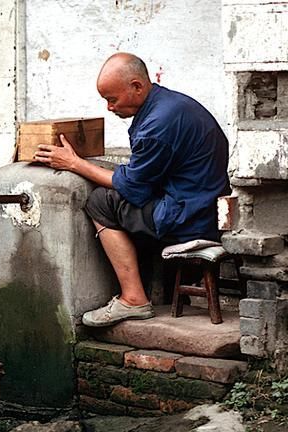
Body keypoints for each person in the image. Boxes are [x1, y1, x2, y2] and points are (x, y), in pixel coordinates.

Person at [33, 52, 229, 327]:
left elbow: (133, 188)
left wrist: (74, 163)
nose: (109, 108)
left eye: (112, 99)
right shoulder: (169, 104)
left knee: (101, 202)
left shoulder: (157, 124)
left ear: (137, 87)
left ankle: (133, 298)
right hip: (201, 205)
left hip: (188, 217)